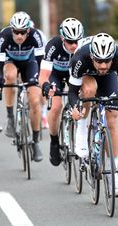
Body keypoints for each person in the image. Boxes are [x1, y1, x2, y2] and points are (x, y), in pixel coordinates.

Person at [67, 32, 118, 196]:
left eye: (107, 60)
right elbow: (72, 92)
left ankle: (113, 175)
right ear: (92, 56)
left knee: (112, 121)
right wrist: (75, 109)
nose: (103, 65)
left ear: (113, 57)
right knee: (89, 90)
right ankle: (82, 128)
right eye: (99, 61)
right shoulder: (80, 58)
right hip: (86, 75)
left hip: (109, 79)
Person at [0, 11, 45, 162]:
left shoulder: (36, 36)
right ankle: (10, 117)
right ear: (11, 30)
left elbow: (41, 64)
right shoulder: (3, 36)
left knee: (35, 101)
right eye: (16, 32)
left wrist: (38, 82)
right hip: (11, 62)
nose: (19, 36)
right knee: (9, 76)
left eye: (23, 32)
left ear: (28, 30)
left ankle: (35, 142)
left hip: (30, 63)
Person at [39, 17, 84, 166]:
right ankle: (54, 142)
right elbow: (44, 75)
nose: (74, 45)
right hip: (56, 75)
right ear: (62, 38)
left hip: (74, 75)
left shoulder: (82, 47)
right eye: (70, 42)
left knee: (83, 100)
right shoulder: (53, 45)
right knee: (56, 106)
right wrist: (45, 86)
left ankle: (81, 135)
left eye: (77, 41)